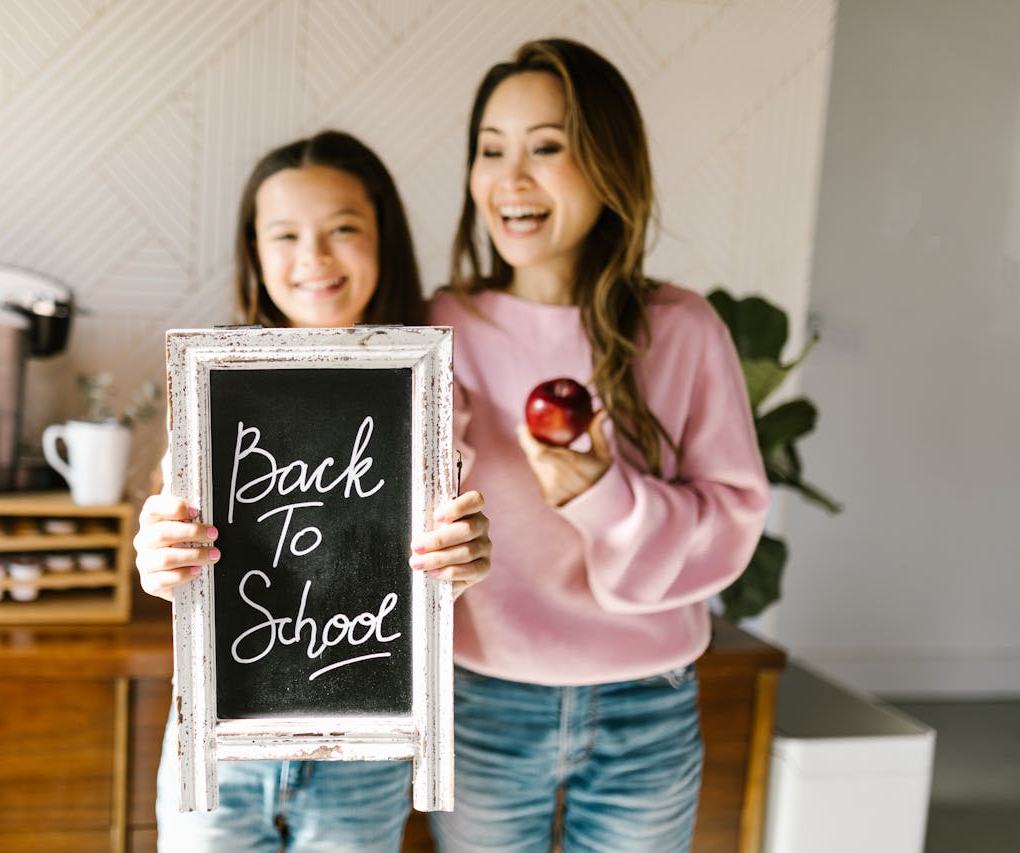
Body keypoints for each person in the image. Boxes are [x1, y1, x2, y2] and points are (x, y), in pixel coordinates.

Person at [426, 39, 770, 852]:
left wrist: (599, 493)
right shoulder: (443, 325)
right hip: (483, 697)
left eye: (547, 148)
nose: (510, 179)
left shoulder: (682, 329)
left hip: (644, 702)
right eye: (490, 150)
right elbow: (412, 508)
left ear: (609, 165)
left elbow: (734, 515)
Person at [133, 130, 492, 853]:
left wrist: (460, 562)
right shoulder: (215, 385)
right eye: (286, 234)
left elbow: (428, 568)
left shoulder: (429, 393)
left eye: (344, 230)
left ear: (384, 238)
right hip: (223, 729)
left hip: (366, 744)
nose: (315, 257)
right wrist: (157, 554)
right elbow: (172, 541)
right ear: (254, 252)